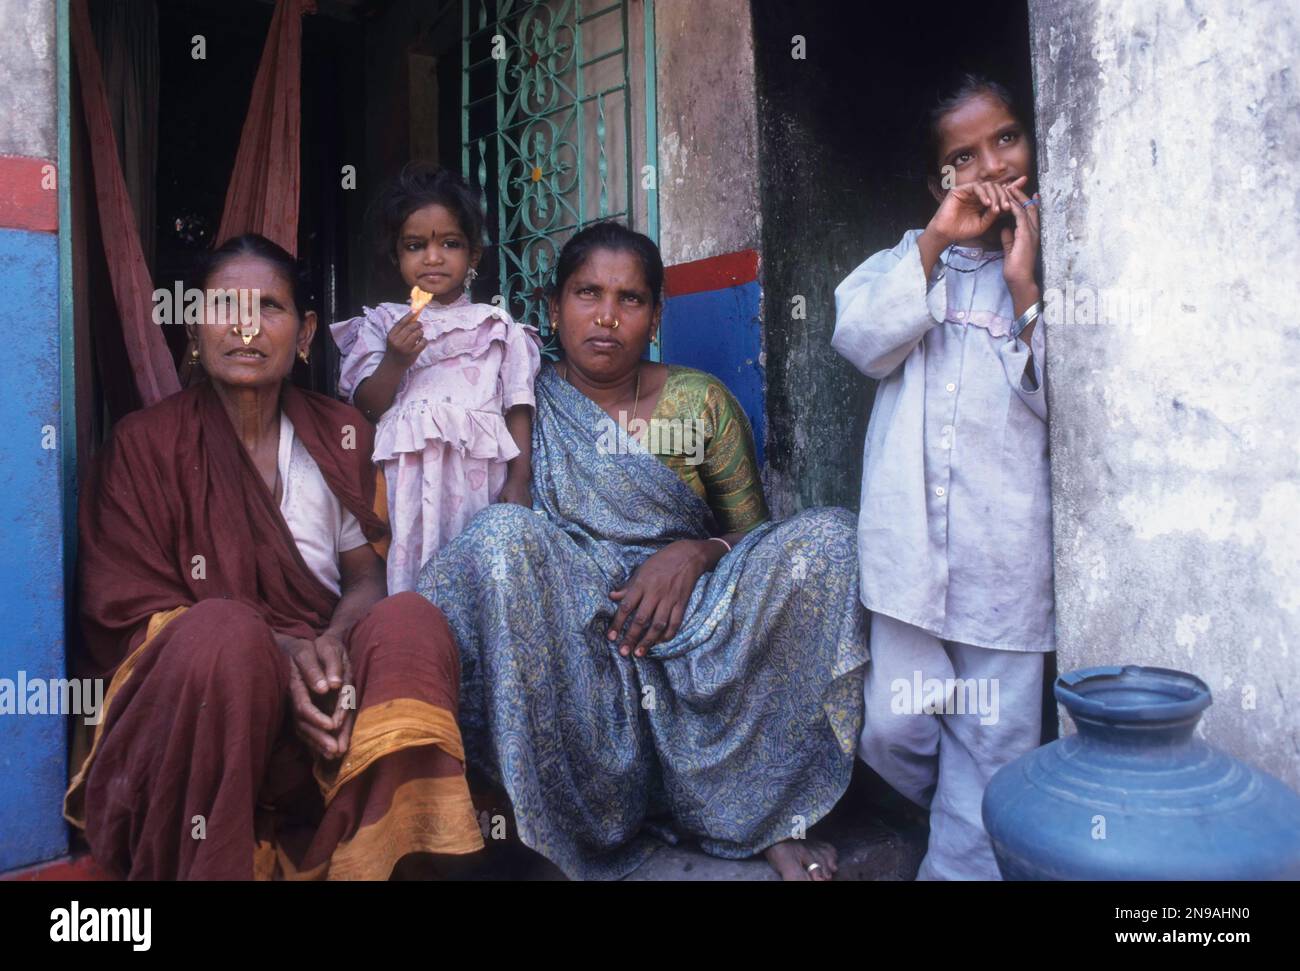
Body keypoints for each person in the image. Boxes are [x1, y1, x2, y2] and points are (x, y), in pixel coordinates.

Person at [416, 221, 869, 881]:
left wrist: (694, 553)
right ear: (551, 307)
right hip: (575, 626)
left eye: (630, 299)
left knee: (829, 539)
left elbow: (758, 538)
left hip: (696, 622)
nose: (606, 316)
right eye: (587, 293)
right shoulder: (520, 403)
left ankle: (763, 814)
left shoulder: (700, 402)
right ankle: (554, 825)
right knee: (499, 537)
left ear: (656, 315)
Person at [65, 233, 483, 879]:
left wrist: (334, 647)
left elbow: (366, 575)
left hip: (329, 706)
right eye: (224, 307)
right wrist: (281, 653)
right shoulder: (142, 447)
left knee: (412, 622)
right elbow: (124, 615)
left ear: (306, 328)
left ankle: (384, 858)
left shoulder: (338, 434)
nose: (245, 328)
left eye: (269, 307)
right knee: (224, 635)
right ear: (193, 328)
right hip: (211, 712)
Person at [831, 74, 1054, 880]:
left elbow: (1070, 405)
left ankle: (959, 862)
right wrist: (934, 240)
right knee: (894, 723)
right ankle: (939, 809)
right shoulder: (906, 259)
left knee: (993, 748)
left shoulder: (1058, 260)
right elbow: (859, 337)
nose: (990, 163)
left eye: (1006, 139)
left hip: (1006, 563)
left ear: (1034, 142)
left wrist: (1027, 291)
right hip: (909, 564)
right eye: (963, 156)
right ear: (939, 181)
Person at [332, 164, 541, 593]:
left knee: (478, 575)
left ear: (473, 257)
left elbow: (518, 405)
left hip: (480, 477)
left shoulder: (497, 325)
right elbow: (367, 405)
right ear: (397, 256)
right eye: (415, 246)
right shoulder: (382, 324)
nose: (432, 257)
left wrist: (519, 480)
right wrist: (395, 360)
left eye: (450, 243)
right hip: (406, 478)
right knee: (413, 569)